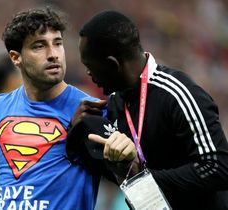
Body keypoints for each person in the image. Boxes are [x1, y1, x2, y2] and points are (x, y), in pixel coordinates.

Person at [0, 7, 137, 210]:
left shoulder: (92, 110)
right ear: (16, 57)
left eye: (57, 43)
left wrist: (127, 158)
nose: (53, 54)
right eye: (39, 46)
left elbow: (129, 177)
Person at [78, 10, 228, 209]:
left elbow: (219, 167)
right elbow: (124, 175)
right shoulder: (115, 103)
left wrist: (146, 179)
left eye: (90, 65)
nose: (88, 72)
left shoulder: (177, 93)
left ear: (113, 64)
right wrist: (81, 129)